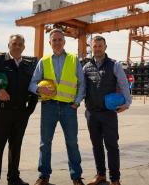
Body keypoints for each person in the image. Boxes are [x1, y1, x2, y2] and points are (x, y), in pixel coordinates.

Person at [0, 34, 39, 185]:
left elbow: (34, 86)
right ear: (8, 45)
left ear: (23, 47)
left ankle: (14, 178)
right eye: (14, 43)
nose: (17, 46)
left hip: (20, 113)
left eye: (19, 44)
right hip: (1, 112)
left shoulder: (28, 66)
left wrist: (30, 109)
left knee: (15, 147)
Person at [28, 29, 85, 185]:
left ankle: (76, 177)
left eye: (60, 39)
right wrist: (39, 89)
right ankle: (44, 175)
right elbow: (32, 83)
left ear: (64, 42)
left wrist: (78, 101)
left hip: (69, 108)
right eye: (54, 40)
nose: (57, 42)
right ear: (50, 43)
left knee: (72, 142)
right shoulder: (44, 61)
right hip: (49, 107)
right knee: (45, 143)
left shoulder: (74, 60)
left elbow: (82, 83)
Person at [83, 36, 132, 185]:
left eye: (100, 46)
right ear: (91, 48)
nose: (97, 48)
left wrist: (127, 103)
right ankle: (100, 175)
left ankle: (115, 179)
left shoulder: (114, 65)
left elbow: (124, 84)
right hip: (91, 112)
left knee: (111, 146)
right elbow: (82, 88)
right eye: (95, 46)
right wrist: (76, 102)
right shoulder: (86, 67)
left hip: (108, 114)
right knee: (96, 145)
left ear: (105, 47)